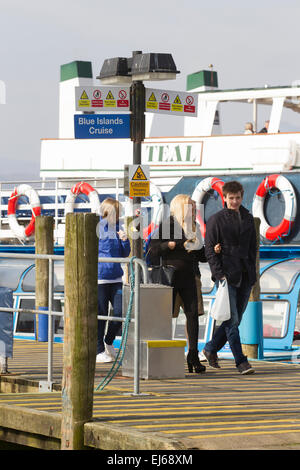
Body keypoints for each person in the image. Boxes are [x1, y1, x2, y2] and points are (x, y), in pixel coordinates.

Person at [203, 181, 257, 375]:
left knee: (235, 319)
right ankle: (241, 362)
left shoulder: (249, 218)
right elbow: (209, 250)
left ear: (242, 197)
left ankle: (210, 348)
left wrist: (252, 273)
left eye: (238, 198)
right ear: (224, 198)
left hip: (245, 274)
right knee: (232, 320)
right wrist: (220, 275)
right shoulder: (216, 219)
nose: (235, 201)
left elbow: (253, 247)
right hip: (227, 274)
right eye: (231, 198)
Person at [149, 194, 207, 373]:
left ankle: (193, 355)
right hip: (171, 278)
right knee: (165, 317)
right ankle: (161, 357)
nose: (193, 209)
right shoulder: (169, 225)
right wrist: (169, 246)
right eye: (189, 206)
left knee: (193, 316)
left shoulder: (193, 227)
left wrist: (206, 250)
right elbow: (153, 251)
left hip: (189, 277)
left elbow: (202, 256)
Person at [96, 198, 131, 363]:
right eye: (116, 211)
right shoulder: (98, 228)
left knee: (120, 312)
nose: (119, 215)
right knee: (101, 314)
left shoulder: (118, 228)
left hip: (116, 277)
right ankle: (99, 350)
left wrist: (125, 240)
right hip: (100, 278)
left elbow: (124, 254)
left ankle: (109, 341)